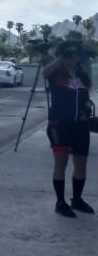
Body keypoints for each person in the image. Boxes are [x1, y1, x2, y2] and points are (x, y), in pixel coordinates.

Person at [42, 40, 94, 218]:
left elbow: (86, 97)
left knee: (81, 163)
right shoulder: (56, 73)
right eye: (71, 54)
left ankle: (77, 199)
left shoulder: (82, 75)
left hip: (80, 126)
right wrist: (60, 59)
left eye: (77, 54)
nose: (75, 57)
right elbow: (44, 72)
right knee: (61, 163)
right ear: (64, 55)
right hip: (59, 124)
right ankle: (60, 202)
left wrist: (87, 111)